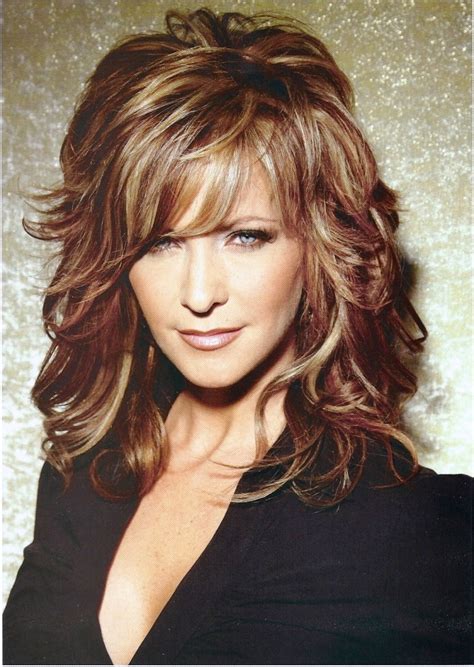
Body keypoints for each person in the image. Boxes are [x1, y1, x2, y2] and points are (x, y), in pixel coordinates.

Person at [3, 7, 471, 665]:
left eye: (246, 236)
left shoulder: (415, 528)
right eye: (161, 242)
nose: (199, 294)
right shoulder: (84, 473)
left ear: (321, 245)